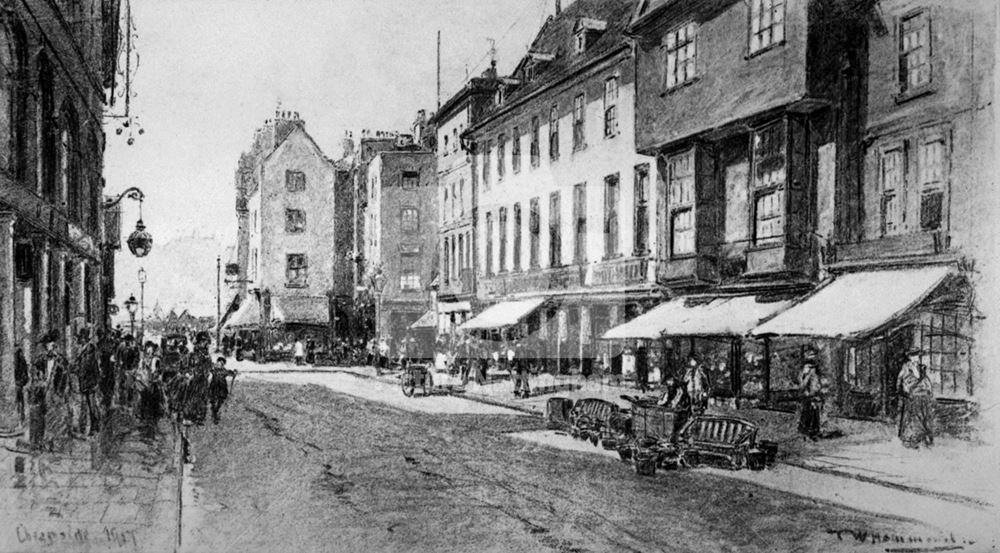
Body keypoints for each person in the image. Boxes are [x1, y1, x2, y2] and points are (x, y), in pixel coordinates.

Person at [33, 331, 70, 451]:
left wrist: (61, 392)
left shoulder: (61, 360)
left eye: (53, 345)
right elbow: (35, 372)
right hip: (45, 391)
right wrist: (39, 380)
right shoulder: (40, 360)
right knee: (45, 416)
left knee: (56, 417)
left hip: (56, 391)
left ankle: (55, 442)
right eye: (48, 345)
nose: (50, 348)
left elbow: (65, 377)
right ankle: (46, 442)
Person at [897, 350, 937, 448]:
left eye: (917, 356)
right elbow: (901, 382)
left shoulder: (921, 368)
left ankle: (925, 440)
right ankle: (911, 441)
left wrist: (929, 391)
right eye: (914, 356)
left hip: (923, 397)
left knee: (925, 418)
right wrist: (906, 392)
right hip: (913, 397)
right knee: (913, 419)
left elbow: (927, 381)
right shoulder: (906, 368)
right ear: (909, 357)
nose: (917, 358)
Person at [73, 329, 102, 436]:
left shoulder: (88, 352)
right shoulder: (83, 352)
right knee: (87, 406)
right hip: (86, 382)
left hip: (89, 383)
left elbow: (90, 368)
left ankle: (93, 427)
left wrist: (78, 370)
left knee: (90, 406)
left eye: (81, 338)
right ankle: (87, 427)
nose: (79, 341)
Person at [798, 346, 826, 441]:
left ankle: (814, 432)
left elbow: (817, 381)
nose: (813, 357)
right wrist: (806, 391)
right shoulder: (807, 369)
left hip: (814, 394)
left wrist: (819, 389)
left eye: (814, 355)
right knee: (807, 414)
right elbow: (803, 383)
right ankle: (807, 433)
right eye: (811, 355)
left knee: (815, 414)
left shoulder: (815, 369)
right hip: (808, 395)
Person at [135, 341, 163, 435]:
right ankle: (143, 419)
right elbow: (139, 372)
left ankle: (155, 422)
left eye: (151, 348)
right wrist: (141, 379)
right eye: (148, 348)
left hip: (153, 384)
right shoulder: (142, 360)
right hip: (144, 383)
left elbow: (159, 372)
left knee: (156, 401)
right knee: (142, 401)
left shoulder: (156, 360)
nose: (149, 350)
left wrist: (156, 377)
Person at [657, 375, 692, 442]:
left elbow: (677, 397)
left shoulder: (677, 389)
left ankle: (674, 438)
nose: (668, 383)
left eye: (669, 381)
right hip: (680, 409)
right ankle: (674, 438)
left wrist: (672, 404)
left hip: (680, 409)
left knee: (676, 425)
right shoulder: (673, 388)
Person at [209, 357, 236, 424]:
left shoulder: (224, 371)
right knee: (213, 401)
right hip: (214, 388)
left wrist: (234, 372)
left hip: (222, 389)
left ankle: (216, 412)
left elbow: (231, 373)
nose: (218, 364)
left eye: (220, 363)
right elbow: (209, 368)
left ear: (223, 364)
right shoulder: (214, 370)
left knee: (220, 401)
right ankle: (214, 414)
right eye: (218, 362)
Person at [15, 347, 28, 424]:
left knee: (20, 401)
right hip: (19, 383)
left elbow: (25, 373)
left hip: (20, 383)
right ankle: (20, 418)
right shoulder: (20, 362)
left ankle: (21, 418)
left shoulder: (22, 362)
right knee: (19, 401)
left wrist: (22, 381)